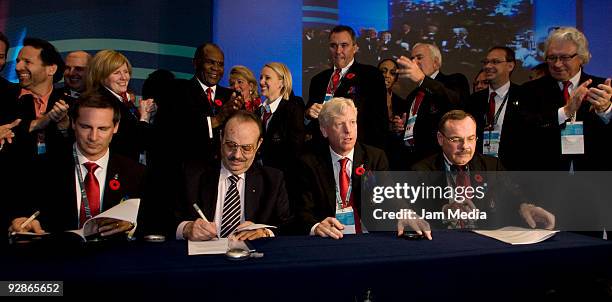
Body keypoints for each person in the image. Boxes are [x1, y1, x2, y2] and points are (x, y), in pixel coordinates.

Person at [402, 110, 555, 239]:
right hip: (442, 242)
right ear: (440, 139)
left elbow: (512, 195)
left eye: (471, 138)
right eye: (456, 139)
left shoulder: (491, 166)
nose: (465, 147)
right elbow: (411, 212)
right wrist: (442, 212)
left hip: (485, 242)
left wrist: (525, 207)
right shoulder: (421, 171)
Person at [9, 93, 145, 236]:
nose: (93, 137)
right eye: (86, 127)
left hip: (115, 256)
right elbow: (18, 215)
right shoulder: (39, 169)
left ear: (115, 127)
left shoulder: (136, 173)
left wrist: (131, 225)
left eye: (102, 129)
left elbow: (157, 223)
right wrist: (21, 223)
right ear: (73, 123)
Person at [174, 111, 293, 241]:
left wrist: (265, 232)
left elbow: (288, 226)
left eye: (246, 148)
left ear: (258, 144)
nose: (237, 155)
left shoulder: (273, 180)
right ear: (221, 138)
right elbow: (163, 221)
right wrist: (186, 229)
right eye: (231, 145)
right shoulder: (192, 174)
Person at [295, 97, 389, 239]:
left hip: (370, 237)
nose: (348, 130)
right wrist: (315, 226)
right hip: (329, 239)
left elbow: (389, 199)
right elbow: (302, 211)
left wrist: (403, 214)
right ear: (324, 130)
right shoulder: (308, 163)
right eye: (340, 124)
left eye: (352, 122)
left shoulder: (375, 157)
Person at [520, 27, 612, 171]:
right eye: (552, 58)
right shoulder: (529, 91)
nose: (557, 64)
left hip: (595, 177)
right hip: (548, 178)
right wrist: (565, 111)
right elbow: (525, 135)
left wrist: (606, 111)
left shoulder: (601, 89)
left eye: (564, 57)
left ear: (582, 57)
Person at [306, 25, 388, 149]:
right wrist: (309, 113)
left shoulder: (371, 76)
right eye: (333, 45)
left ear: (355, 48)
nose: (338, 51)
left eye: (344, 45)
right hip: (322, 152)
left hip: (357, 151)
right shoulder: (318, 80)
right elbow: (309, 115)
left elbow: (379, 122)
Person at [392, 43, 467, 170]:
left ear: (436, 63)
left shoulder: (454, 81)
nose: (414, 62)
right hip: (410, 161)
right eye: (412, 59)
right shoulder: (412, 95)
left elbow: (454, 102)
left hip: (436, 163)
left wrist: (422, 79)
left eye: (419, 57)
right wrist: (403, 127)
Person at [85, 49, 156, 162]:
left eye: (126, 72)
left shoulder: (121, 100)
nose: (124, 77)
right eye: (116, 73)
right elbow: (135, 141)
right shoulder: (102, 102)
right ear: (101, 76)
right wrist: (144, 117)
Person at [465, 47, 525, 170]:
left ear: (510, 66)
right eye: (486, 62)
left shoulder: (524, 96)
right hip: (480, 169)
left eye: (495, 62)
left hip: (514, 170)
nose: (488, 66)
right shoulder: (473, 101)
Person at [258, 62, 305, 175]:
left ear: (282, 82)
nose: (261, 82)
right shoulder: (258, 111)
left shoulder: (293, 108)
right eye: (261, 77)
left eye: (267, 78)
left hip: (284, 180)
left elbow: (295, 150)